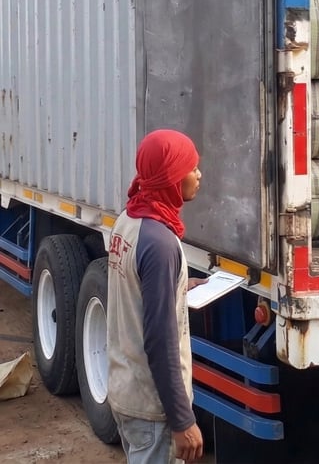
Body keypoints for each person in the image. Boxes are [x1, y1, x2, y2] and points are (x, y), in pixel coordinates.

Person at [107, 129, 206, 463]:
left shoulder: (129, 220)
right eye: (191, 168)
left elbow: (134, 290)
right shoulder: (160, 243)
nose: (198, 175)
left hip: (125, 388)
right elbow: (159, 341)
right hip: (152, 409)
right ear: (172, 177)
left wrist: (177, 286)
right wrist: (182, 419)